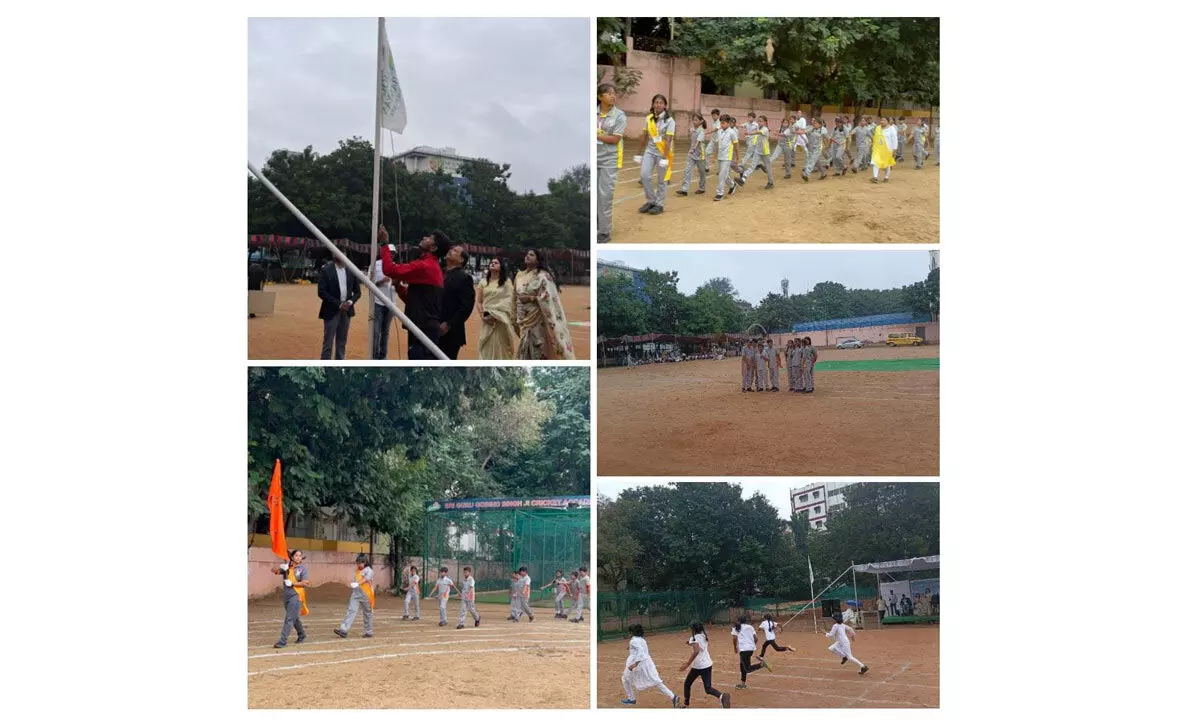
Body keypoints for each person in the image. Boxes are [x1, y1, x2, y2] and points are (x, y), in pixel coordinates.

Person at [378, 225, 447, 359]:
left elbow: (389, 270)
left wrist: (384, 244)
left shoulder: (425, 266)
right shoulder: (429, 265)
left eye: (429, 238)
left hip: (424, 328)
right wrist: (398, 287)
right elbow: (413, 299)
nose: (424, 237)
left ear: (433, 248)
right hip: (422, 327)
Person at [514, 250, 575, 359]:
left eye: (531, 255)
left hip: (538, 319)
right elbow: (515, 297)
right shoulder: (519, 276)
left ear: (538, 260)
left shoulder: (543, 276)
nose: (527, 256)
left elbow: (549, 297)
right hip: (523, 319)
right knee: (524, 349)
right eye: (527, 254)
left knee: (537, 347)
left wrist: (531, 298)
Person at [634, 93, 675, 215]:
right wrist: (639, 153)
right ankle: (651, 200)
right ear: (653, 104)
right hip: (650, 151)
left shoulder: (670, 121)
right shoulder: (649, 118)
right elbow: (644, 136)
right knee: (644, 175)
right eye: (656, 102)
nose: (658, 104)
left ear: (665, 105)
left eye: (661, 102)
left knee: (662, 180)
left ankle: (659, 204)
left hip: (663, 152)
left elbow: (668, 139)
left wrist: (665, 157)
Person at [596, 83, 626, 244]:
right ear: (600, 97)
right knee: (594, 195)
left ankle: (604, 232)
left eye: (614, 93)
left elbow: (615, 139)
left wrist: (597, 136)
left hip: (609, 159)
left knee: (605, 195)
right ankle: (596, 225)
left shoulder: (619, 116)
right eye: (608, 93)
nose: (612, 96)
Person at [621, 624, 680, 707]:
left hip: (638, 664)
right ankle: (673, 696)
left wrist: (635, 664)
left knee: (624, 679)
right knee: (656, 681)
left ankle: (631, 699)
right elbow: (640, 649)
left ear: (631, 632)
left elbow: (640, 651)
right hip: (647, 664)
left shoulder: (633, 641)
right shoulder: (642, 640)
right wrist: (631, 649)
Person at [317, 256, 361, 360]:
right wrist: (339, 304)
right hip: (331, 310)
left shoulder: (351, 270)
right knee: (328, 343)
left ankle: (338, 366)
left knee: (342, 342)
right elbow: (321, 292)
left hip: (346, 311)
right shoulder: (326, 270)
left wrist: (349, 302)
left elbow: (358, 292)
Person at [679, 621, 731, 708]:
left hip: (698, 666)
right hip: (707, 664)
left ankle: (686, 705)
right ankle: (722, 696)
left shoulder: (694, 637)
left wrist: (687, 664)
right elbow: (698, 645)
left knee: (687, 684)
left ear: (693, 629)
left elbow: (696, 650)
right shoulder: (704, 636)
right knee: (708, 688)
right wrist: (689, 643)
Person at [436, 244, 475, 359]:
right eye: (451, 249)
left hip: (449, 332)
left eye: (455, 250)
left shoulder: (464, 278)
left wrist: (449, 324)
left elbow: (466, 307)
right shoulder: (439, 272)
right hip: (432, 326)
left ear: (462, 260)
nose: (451, 251)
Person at [475, 258, 516, 359]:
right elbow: (479, 301)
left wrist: (498, 315)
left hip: (502, 320)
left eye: (496, 262)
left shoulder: (506, 282)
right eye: (491, 262)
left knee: (502, 347)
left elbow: (509, 300)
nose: (493, 264)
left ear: (501, 266)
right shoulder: (483, 282)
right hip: (488, 319)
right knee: (486, 347)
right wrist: (483, 316)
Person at [271, 549, 311, 648]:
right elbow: (274, 571)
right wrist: (280, 567)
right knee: (294, 618)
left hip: (296, 595)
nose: (298, 557)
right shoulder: (287, 567)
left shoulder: (302, 569)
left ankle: (282, 641)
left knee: (289, 618)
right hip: (286, 595)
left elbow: (305, 583)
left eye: (300, 556)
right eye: (296, 555)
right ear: (292, 557)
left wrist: (293, 583)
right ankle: (302, 634)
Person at [334, 553, 375, 639]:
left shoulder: (369, 570)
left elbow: (365, 579)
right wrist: (354, 584)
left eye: (360, 563)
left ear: (365, 562)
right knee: (351, 610)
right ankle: (343, 630)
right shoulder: (357, 570)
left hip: (366, 595)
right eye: (357, 563)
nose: (358, 565)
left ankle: (368, 631)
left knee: (367, 613)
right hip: (356, 593)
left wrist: (357, 583)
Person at [370, 244, 397, 359]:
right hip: (378, 303)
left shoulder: (396, 266)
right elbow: (369, 283)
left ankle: (383, 356)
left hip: (391, 304)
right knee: (376, 332)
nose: (391, 254)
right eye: (390, 252)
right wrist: (381, 281)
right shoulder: (375, 265)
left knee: (385, 332)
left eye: (393, 253)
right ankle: (374, 355)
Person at [731, 615, 770, 688]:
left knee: (747, 669)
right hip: (750, 649)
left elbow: (734, 638)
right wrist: (751, 645)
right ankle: (743, 684)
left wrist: (735, 648)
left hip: (744, 650)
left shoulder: (736, 627)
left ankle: (761, 665)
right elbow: (756, 639)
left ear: (739, 621)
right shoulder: (750, 627)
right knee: (742, 666)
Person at [712, 115, 744, 202]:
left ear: (729, 123)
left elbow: (736, 145)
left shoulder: (732, 133)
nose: (722, 125)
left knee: (721, 175)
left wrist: (738, 157)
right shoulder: (719, 132)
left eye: (723, 123)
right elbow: (717, 145)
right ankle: (732, 185)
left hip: (727, 157)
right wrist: (714, 157)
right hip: (720, 156)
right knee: (724, 175)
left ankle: (720, 193)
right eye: (721, 123)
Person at [675, 114, 707, 197]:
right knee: (687, 170)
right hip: (691, 154)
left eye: (696, 120)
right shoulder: (693, 130)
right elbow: (693, 140)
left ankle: (702, 188)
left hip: (700, 155)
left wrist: (693, 149)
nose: (694, 121)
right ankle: (684, 189)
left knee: (702, 172)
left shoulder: (702, 131)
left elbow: (698, 142)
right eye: (694, 120)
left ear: (701, 121)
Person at [739, 114, 775, 189]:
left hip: (765, 152)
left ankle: (770, 182)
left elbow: (757, 132)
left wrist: (749, 133)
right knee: (752, 165)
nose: (759, 122)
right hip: (758, 151)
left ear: (765, 122)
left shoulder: (765, 129)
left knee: (768, 167)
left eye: (761, 121)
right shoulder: (759, 128)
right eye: (758, 121)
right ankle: (743, 179)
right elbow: (756, 132)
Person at [870, 117, 898, 184]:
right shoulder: (877, 128)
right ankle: (875, 177)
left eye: (884, 120)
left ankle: (886, 177)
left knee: (887, 164)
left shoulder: (892, 129)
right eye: (881, 120)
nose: (882, 122)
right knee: (875, 161)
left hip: (888, 149)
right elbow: (875, 137)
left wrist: (894, 150)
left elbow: (895, 140)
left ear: (888, 121)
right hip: (878, 149)